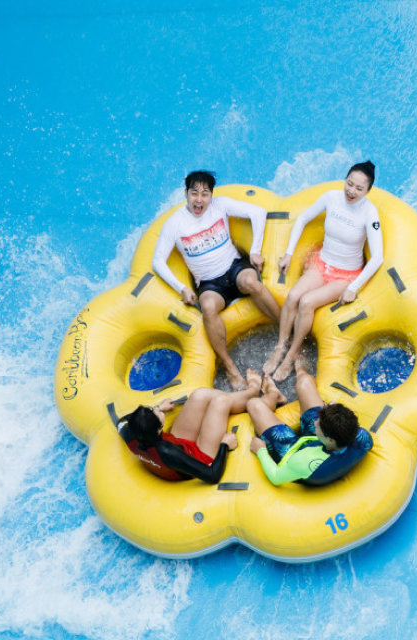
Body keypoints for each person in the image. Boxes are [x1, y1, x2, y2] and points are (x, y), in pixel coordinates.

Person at [152, 171, 281, 390]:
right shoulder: (175, 223)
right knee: (209, 307)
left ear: (211, 195)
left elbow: (257, 212)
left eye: (204, 194)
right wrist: (182, 287)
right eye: (194, 193)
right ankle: (230, 368)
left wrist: (255, 251)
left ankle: (285, 334)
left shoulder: (220, 205)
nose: (199, 200)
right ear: (186, 194)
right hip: (209, 283)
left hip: (234, 268)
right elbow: (157, 261)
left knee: (251, 282)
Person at [263, 161, 383, 381]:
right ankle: (280, 347)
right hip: (322, 263)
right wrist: (289, 253)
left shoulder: (369, 213)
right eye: (349, 184)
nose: (351, 191)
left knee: (307, 302)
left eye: (359, 188)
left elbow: (377, 257)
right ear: (345, 180)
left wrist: (354, 288)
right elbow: (302, 219)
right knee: (293, 296)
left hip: (345, 275)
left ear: (368, 191)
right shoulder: (331, 197)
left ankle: (291, 356)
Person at [117, 370, 263, 484]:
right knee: (220, 402)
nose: (157, 410)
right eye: (156, 412)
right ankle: (253, 391)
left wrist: (159, 407)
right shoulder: (167, 452)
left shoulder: (130, 432)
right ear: (159, 428)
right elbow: (212, 475)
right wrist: (224, 445)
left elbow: (120, 421)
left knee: (199, 395)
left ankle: (247, 395)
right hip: (201, 457)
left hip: (180, 443)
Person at [248, 357, 373, 486]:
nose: (314, 423)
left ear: (330, 440)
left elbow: (275, 476)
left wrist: (261, 451)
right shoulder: (362, 437)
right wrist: (333, 411)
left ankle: (273, 394)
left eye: (318, 424)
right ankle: (299, 366)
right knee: (304, 382)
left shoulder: (303, 462)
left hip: (292, 452)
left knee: (254, 404)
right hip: (318, 442)